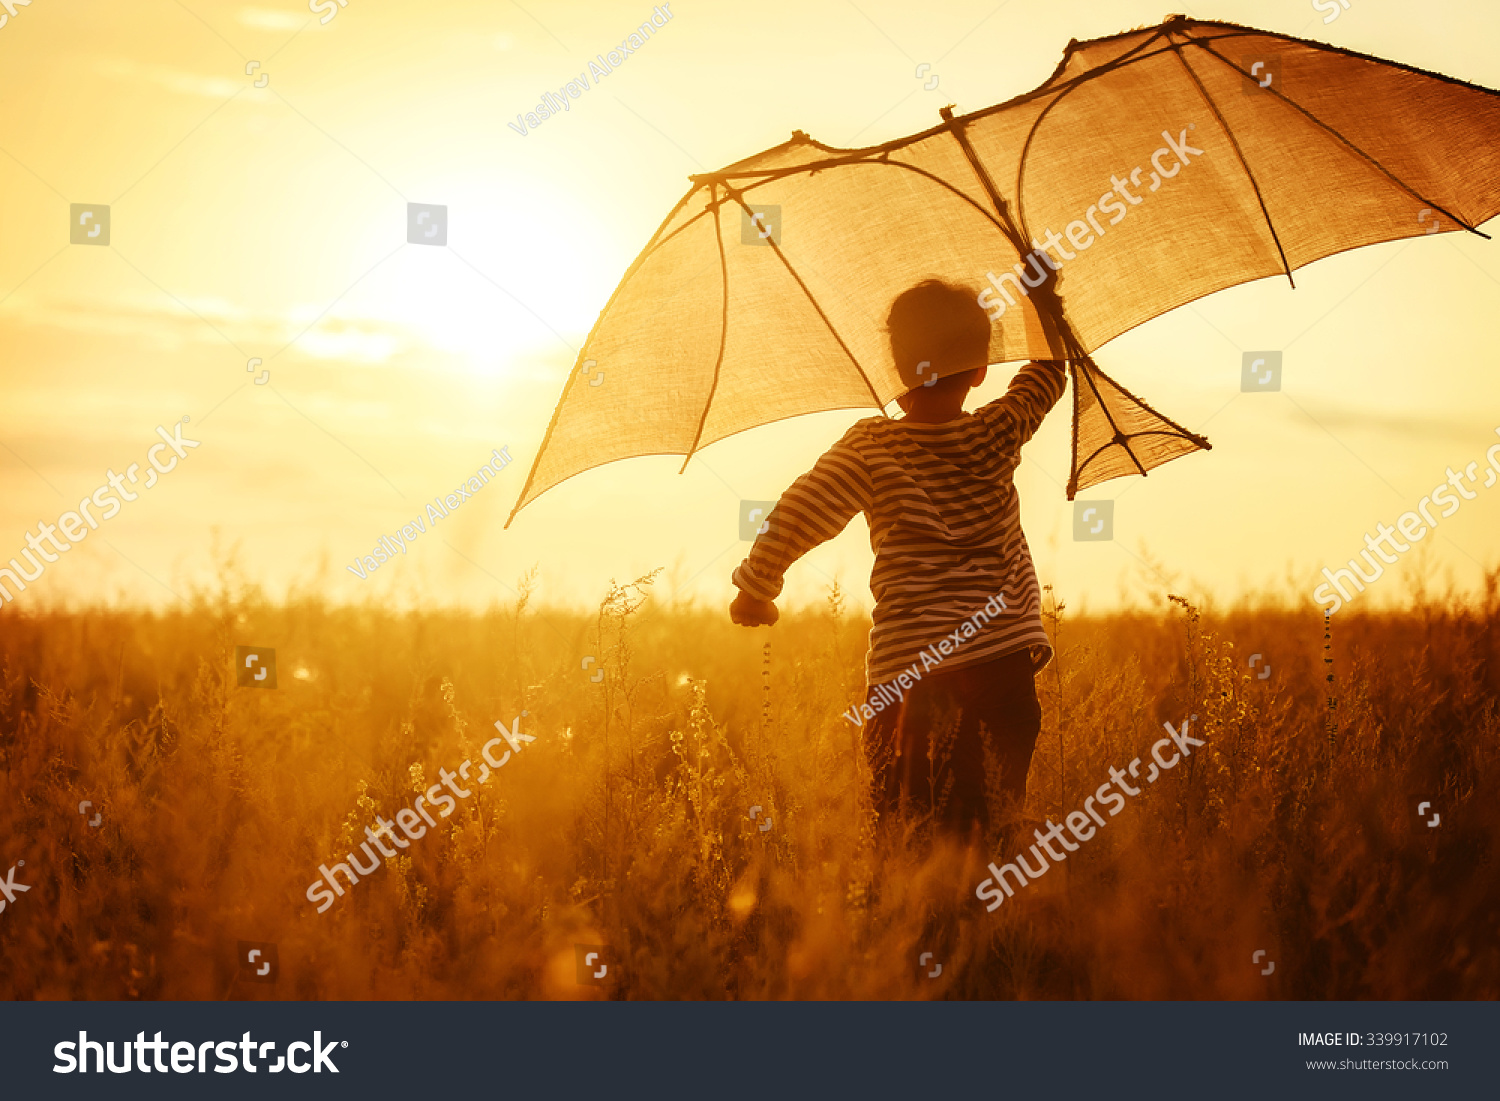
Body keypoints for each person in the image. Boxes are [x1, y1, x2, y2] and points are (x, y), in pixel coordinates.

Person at [728, 278, 1066, 842]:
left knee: (908, 825)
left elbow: (800, 510)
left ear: (894, 366)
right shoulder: (998, 429)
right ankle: (1000, 916)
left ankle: (926, 922)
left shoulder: (871, 447)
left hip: (915, 673)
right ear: (981, 368)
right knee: (997, 823)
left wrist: (757, 586)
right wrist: (1042, 301)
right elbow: (1047, 373)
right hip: (1005, 664)